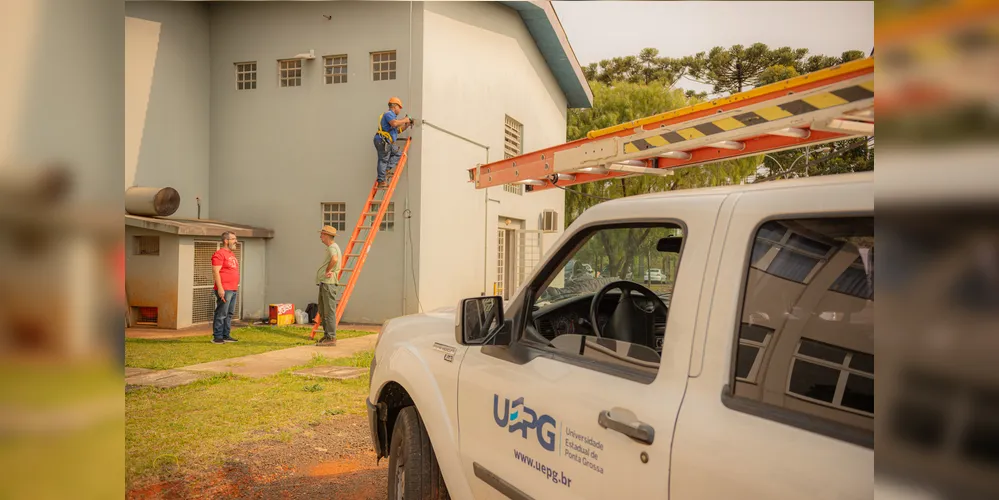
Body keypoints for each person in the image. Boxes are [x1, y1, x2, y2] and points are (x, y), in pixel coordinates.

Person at [374, 97, 414, 188]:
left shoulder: (393, 118)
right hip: (383, 141)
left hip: (387, 142)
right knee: (383, 160)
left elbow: (398, 130)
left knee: (398, 154)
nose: (399, 110)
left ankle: (386, 169)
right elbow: (395, 124)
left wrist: (406, 125)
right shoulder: (388, 114)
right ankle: (381, 181)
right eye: (399, 108)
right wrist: (405, 119)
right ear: (395, 106)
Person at [211, 231, 240, 344]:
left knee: (229, 313)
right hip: (225, 288)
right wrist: (220, 288)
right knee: (221, 313)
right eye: (233, 239)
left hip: (233, 288)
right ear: (226, 241)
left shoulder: (231, 254)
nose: (235, 241)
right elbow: (215, 272)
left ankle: (226, 335)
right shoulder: (219, 254)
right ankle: (217, 337)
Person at [316, 225, 342, 346]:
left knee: (329, 311)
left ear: (326, 235)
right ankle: (327, 335)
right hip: (326, 283)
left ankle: (331, 337)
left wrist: (327, 270)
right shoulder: (332, 247)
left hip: (328, 284)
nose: (320, 236)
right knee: (323, 310)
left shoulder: (332, 247)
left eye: (322, 234)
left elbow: (335, 259)